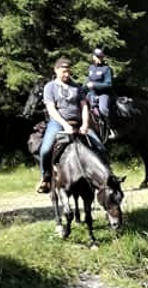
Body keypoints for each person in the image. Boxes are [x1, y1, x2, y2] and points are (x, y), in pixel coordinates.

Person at [36, 57, 107, 193]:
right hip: (57, 123)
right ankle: (45, 178)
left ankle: (106, 179)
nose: (67, 75)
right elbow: (51, 109)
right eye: (63, 72)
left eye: (68, 72)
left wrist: (85, 124)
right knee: (45, 150)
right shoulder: (50, 87)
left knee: (100, 147)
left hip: (79, 122)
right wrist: (65, 125)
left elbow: (84, 106)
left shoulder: (77, 87)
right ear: (56, 70)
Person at [86, 48, 115, 139]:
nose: (99, 59)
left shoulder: (106, 69)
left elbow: (108, 84)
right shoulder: (91, 68)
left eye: (101, 57)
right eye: (97, 57)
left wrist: (94, 84)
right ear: (93, 57)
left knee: (103, 109)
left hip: (103, 94)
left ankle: (111, 129)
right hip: (91, 93)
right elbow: (88, 80)